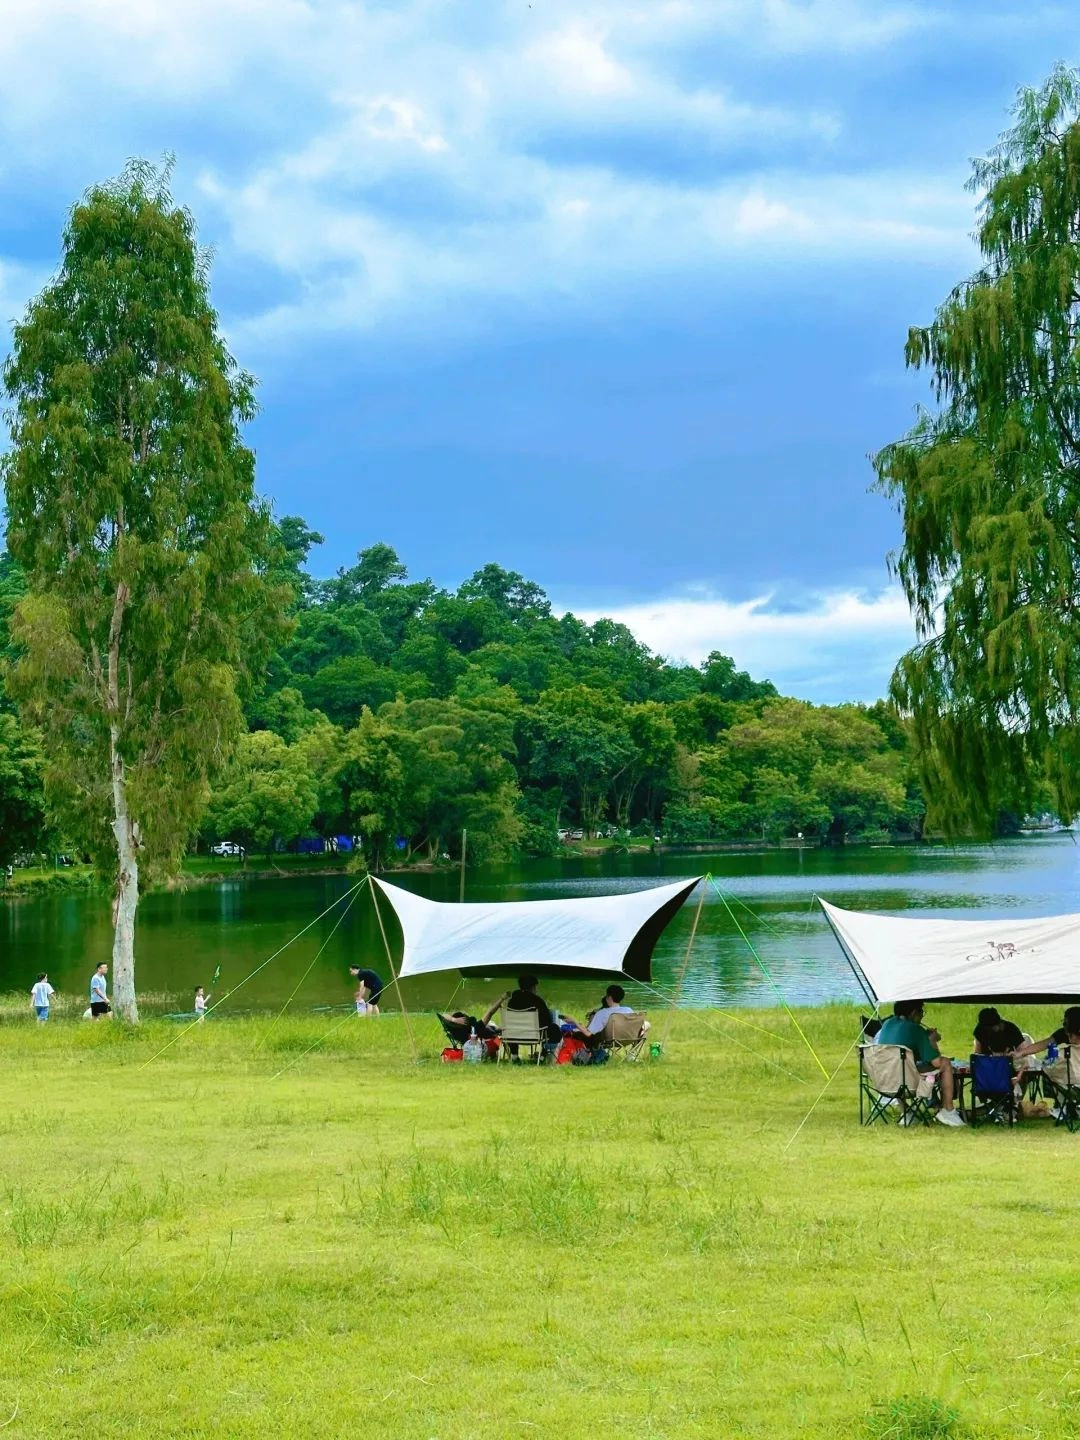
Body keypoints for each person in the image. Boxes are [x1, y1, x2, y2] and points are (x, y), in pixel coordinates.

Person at [875, 999, 964, 1126]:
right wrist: (932, 1040)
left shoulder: (887, 1024)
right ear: (913, 1013)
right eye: (921, 1011)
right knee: (945, 1063)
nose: (922, 1015)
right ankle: (948, 1110)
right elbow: (937, 1062)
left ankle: (906, 1111)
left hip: (885, 1080)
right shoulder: (915, 1029)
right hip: (907, 1083)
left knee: (900, 1066)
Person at [494, 974, 561, 1044]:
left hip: (514, 1035)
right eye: (535, 987)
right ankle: (545, 1052)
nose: (536, 990)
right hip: (535, 1036)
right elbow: (547, 1021)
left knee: (511, 1027)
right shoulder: (538, 1001)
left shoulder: (512, 1001)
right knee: (554, 1027)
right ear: (532, 987)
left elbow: (509, 1021)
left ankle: (514, 1054)